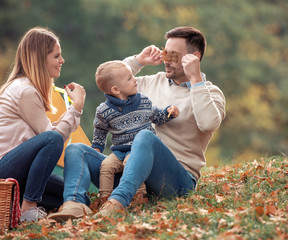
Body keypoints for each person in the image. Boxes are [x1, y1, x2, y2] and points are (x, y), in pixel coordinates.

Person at [48, 26, 225, 221]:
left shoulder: (209, 92)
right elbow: (112, 83)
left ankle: (117, 203)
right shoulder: (153, 82)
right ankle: (74, 204)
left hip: (174, 181)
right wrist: (138, 61)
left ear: (195, 57)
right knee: (76, 150)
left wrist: (196, 79)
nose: (166, 60)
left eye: (174, 55)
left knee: (145, 136)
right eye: (165, 53)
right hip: (130, 171)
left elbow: (208, 124)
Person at [0, 27, 86, 222]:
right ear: (39, 58)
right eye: (56, 56)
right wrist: (76, 108)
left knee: (74, 196)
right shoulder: (24, 91)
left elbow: (50, 135)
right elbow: (54, 139)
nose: (62, 61)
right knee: (52, 139)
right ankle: (29, 207)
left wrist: (73, 111)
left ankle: (16, 206)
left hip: (18, 172)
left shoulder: (27, 88)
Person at [89, 60, 179, 210]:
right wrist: (97, 148)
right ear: (116, 89)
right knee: (106, 165)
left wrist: (169, 112)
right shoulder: (103, 111)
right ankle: (104, 198)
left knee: (131, 163)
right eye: (130, 78)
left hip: (140, 150)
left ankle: (140, 197)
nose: (135, 79)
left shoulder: (143, 101)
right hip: (120, 150)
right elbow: (100, 131)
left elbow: (157, 117)